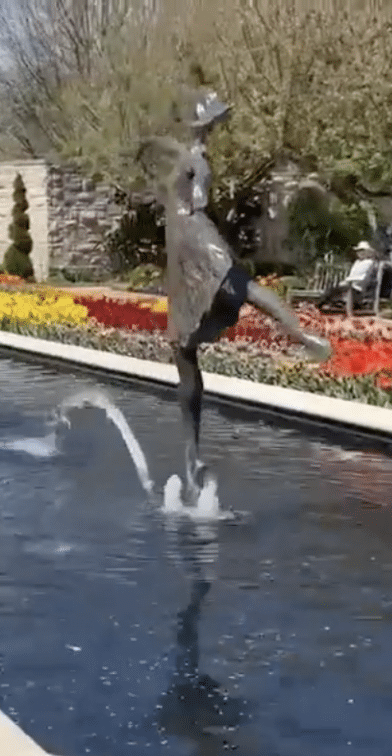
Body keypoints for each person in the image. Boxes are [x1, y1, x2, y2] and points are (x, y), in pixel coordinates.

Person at [137, 91, 332, 501]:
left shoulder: (192, 161)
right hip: (187, 244)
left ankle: (192, 456)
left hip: (188, 240)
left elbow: (193, 196)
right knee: (199, 331)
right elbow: (190, 182)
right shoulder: (193, 158)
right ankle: (192, 457)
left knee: (206, 325)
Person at [316, 241, 379, 309]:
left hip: (358, 288)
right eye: (358, 251)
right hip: (350, 285)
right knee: (332, 289)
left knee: (333, 290)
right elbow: (352, 275)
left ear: (367, 252)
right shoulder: (357, 262)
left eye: (362, 250)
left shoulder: (369, 262)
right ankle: (323, 305)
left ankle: (320, 306)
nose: (360, 252)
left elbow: (362, 277)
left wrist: (347, 282)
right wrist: (346, 282)